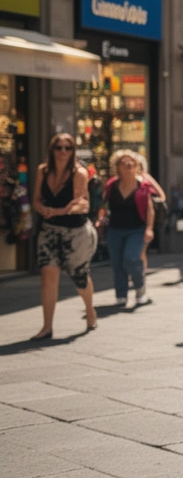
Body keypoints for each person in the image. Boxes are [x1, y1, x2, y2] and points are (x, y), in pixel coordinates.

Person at [30, 133, 98, 339]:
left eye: (67, 148)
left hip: (76, 234)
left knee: (79, 277)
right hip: (49, 231)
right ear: (52, 150)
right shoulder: (43, 171)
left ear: (73, 151)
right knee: (48, 276)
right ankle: (47, 326)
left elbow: (82, 204)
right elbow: (36, 200)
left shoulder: (79, 173)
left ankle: (90, 310)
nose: (62, 152)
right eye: (58, 148)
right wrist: (43, 210)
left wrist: (57, 211)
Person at [100, 150, 156, 308]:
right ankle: (121, 295)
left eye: (131, 163)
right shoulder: (111, 185)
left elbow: (150, 209)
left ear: (136, 166)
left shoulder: (143, 186)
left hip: (137, 229)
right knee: (117, 264)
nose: (127, 166)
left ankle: (140, 288)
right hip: (115, 230)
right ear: (117, 167)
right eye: (123, 163)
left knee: (131, 259)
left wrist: (149, 229)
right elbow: (104, 205)